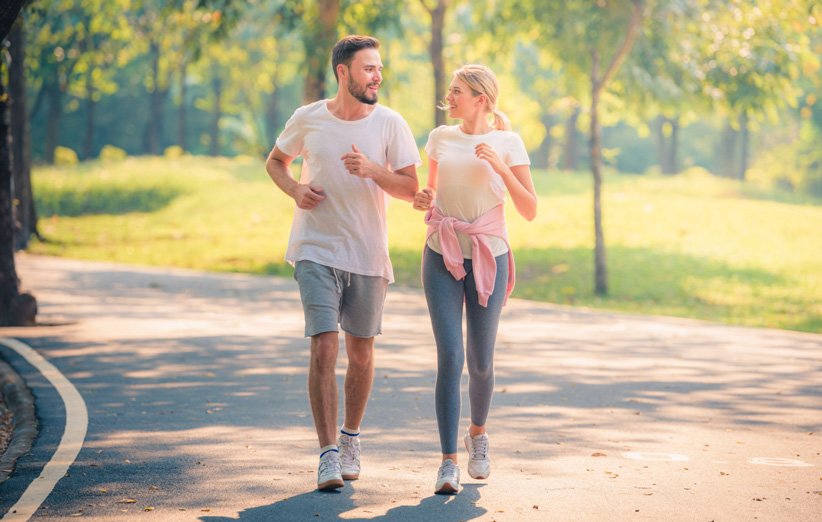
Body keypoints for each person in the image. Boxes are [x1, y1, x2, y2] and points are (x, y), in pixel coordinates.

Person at [265, 35, 420, 491]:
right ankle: (328, 452)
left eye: (379, 68)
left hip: (368, 254)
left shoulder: (391, 124)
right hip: (315, 248)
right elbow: (276, 161)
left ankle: (351, 438)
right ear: (343, 72)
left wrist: (373, 170)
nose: (377, 76)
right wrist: (295, 190)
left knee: (361, 353)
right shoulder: (308, 118)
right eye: (369, 68)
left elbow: (412, 190)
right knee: (324, 345)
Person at [412, 64, 537, 494]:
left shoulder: (508, 142)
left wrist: (501, 168)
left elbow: (529, 208)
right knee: (451, 357)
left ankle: (478, 437)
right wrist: (423, 198)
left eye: (458, 91)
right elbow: (427, 194)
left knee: (480, 361)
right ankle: (447, 462)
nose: (450, 96)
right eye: (451, 90)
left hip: (490, 255)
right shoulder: (439, 138)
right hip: (441, 252)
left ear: (481, 98)